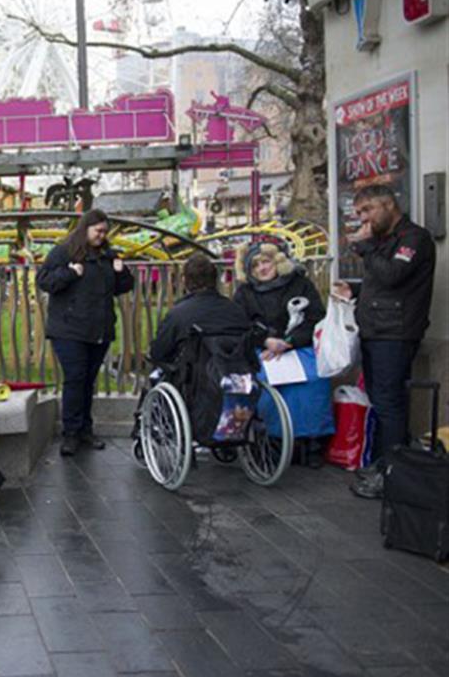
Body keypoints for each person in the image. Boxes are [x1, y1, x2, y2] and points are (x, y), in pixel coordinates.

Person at [332, 185, 436, 499]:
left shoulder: (414, 239)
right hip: (377, 330)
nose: (363, 219)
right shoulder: (384, 242)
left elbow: (393, 276)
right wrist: (355, 292)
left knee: (390, 404)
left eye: (368, 210)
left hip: (396, 333)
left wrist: (365, 248)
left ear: (389, 205)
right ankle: (384, 464)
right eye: (359, 213)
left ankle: (391, 473)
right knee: (382, 400)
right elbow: (381, 283)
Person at [37, 208, 134, 455]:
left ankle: (85, 430)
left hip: (98, 329)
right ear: (85, 229)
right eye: (98, 231)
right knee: (75, 378)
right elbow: (44, 280)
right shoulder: (64, 252)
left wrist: (122, 272)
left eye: (105, 231)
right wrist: (70, 273)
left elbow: (123, 287)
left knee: (88, 380)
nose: (102, 235)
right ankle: (71, 432)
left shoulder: (108, 256)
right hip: (68, 329)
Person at [233, 242, 332, 466]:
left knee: (315, 379)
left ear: (277, 262)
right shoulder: (244, 293)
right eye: (255, 265)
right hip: (262, 348)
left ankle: (313, 442)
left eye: (266, 262)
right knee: (266, 381)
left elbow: (315, 318)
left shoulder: (301, 284)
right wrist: (265, 340)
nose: (262, 268)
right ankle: (273, 441)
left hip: (296, 345)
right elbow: (240, 325)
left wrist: (289, 342)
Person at [149, 252, 251, 366]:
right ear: (215, 279)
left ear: (184, 280)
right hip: (233, 372)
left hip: (191, 375)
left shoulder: (178, 314)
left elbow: (157, 353)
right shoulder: (237, 311)